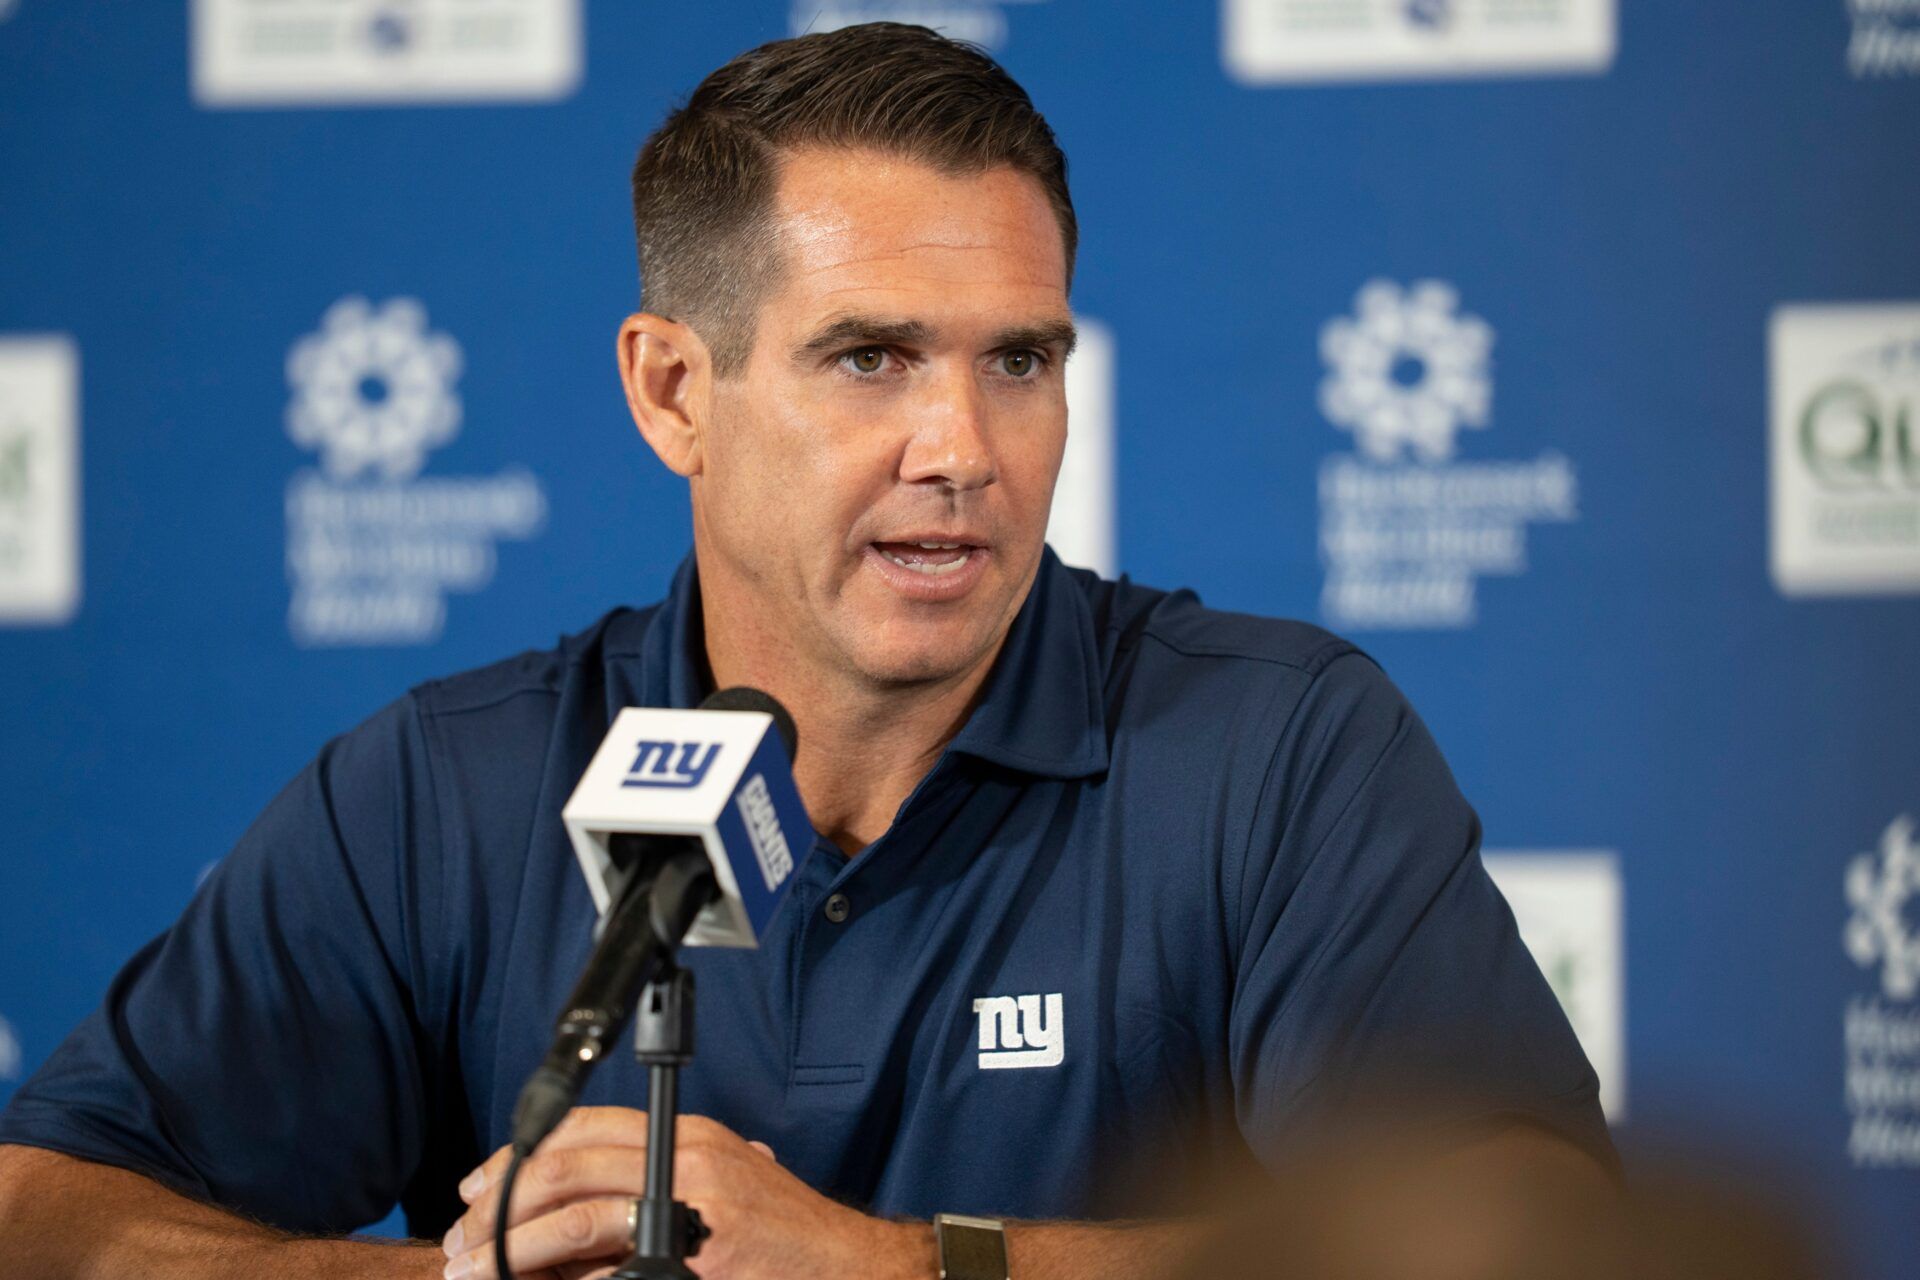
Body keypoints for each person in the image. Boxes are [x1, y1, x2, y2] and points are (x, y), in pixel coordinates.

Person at [0, 22, 1614, 1280]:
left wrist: (905, 1266)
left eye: (1021, 362)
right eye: (869, 358)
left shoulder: (1276, 748)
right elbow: (44, 1214)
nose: (962, 447)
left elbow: (1530, 1233)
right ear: (672, 394)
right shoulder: (447, 789)